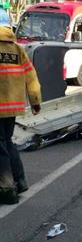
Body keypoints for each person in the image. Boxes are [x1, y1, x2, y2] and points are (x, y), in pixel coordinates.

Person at [0, 20, 41, 205]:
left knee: (0, 146)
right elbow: (31, 77)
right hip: (12, 106)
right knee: (7, 142)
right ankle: (20, 181)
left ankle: (7, 189)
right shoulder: (18, 50)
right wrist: (35, 101)